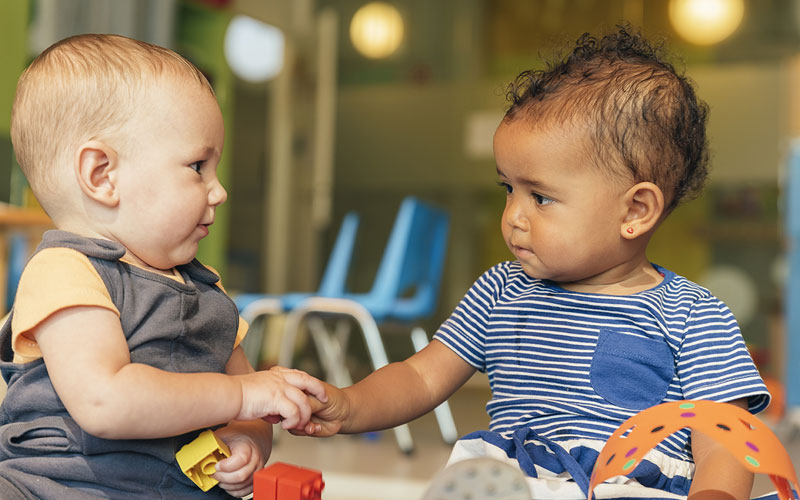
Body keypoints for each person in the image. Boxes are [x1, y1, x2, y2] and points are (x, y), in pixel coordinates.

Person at [301, 26, 770, 500]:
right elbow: (421, 376)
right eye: (509, 189)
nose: (513, 217)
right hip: (511, 481)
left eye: (540, 197)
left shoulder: (693, 314)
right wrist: (350, 405)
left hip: (628, 486)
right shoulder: (500, 290)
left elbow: (724, 436)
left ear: (634, 211)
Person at [0, 34, 326, 500]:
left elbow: (249, 407)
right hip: (54, 488)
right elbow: (105, 401)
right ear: (102, 176)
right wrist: (244, 396)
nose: (219, 191)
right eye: (197, 167)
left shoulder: (209, 296)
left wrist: (247, 438)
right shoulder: (66, 273)